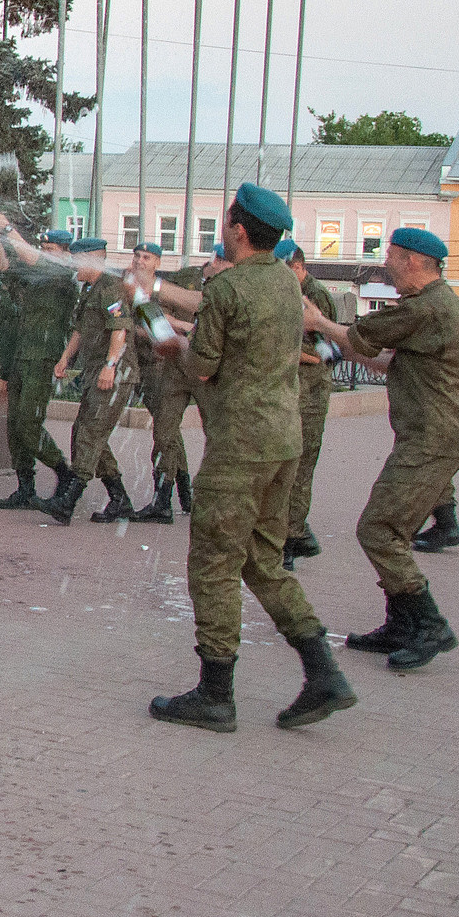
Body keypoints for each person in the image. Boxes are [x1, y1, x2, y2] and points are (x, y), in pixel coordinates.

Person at [149, 184, 356, 733]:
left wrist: (167, 342)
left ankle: (216, 694)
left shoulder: (228, 288)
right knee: (263, 561)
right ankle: (323, 671)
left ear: (237, 230)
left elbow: (200, 370)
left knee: (214, 563)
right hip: (282, 443)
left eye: (224, 220)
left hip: (239, 448)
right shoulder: (290, 287)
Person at [302, 226, 459, 673]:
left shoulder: (428, 308)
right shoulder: (435, 305)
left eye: (391, 257)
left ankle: (428, 623)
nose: (386, 265)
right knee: (387, 530)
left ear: (413, 260)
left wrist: (318, 322)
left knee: (379, 530)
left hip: (432, 439)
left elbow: (361, 336)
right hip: (431, 435)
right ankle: (400, 624)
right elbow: (384, 357)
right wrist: (337, 341)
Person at [0, 218, 75, 509]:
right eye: (44, 246)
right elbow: (3, 265)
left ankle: (65, 474)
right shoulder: (34, 273)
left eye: (52, 248)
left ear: (65, 252)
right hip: (21, 355)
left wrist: (8, 228)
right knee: (14, 426)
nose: (46, 251)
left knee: (29, 425)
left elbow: (30, 256)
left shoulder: (62, 271)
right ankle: (25, 487)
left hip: (43, 357)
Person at [42, 238, 138, 523]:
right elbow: (81, 330)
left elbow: (119, 329)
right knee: (88, 433)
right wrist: (65, 358)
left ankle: (67, 502)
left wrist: (110, 366)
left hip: (114, 373)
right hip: (96, 371)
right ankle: (120, 500)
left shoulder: (110, 288)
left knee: (89, 434)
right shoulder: (90, 289)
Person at [126, 241, 207, 520]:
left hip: (161, 367)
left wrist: (145, 331)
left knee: (165, 432)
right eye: (137, 256)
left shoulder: (163, 290)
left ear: (158, 262)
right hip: (142, 365)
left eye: (147, 257)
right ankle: (183, 494)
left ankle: (167, 498)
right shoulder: (127, 285)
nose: (140, 262)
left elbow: (176, 326)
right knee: (168, 432)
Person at [280, 240, 341, 569]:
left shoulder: (312, 297)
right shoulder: (291, 291)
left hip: (311, 394)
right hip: (293, 391)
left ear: (298, 269)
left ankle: (289, 542)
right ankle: (298, 533)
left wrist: (282, 353)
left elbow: (323, 355)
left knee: (299, 468)